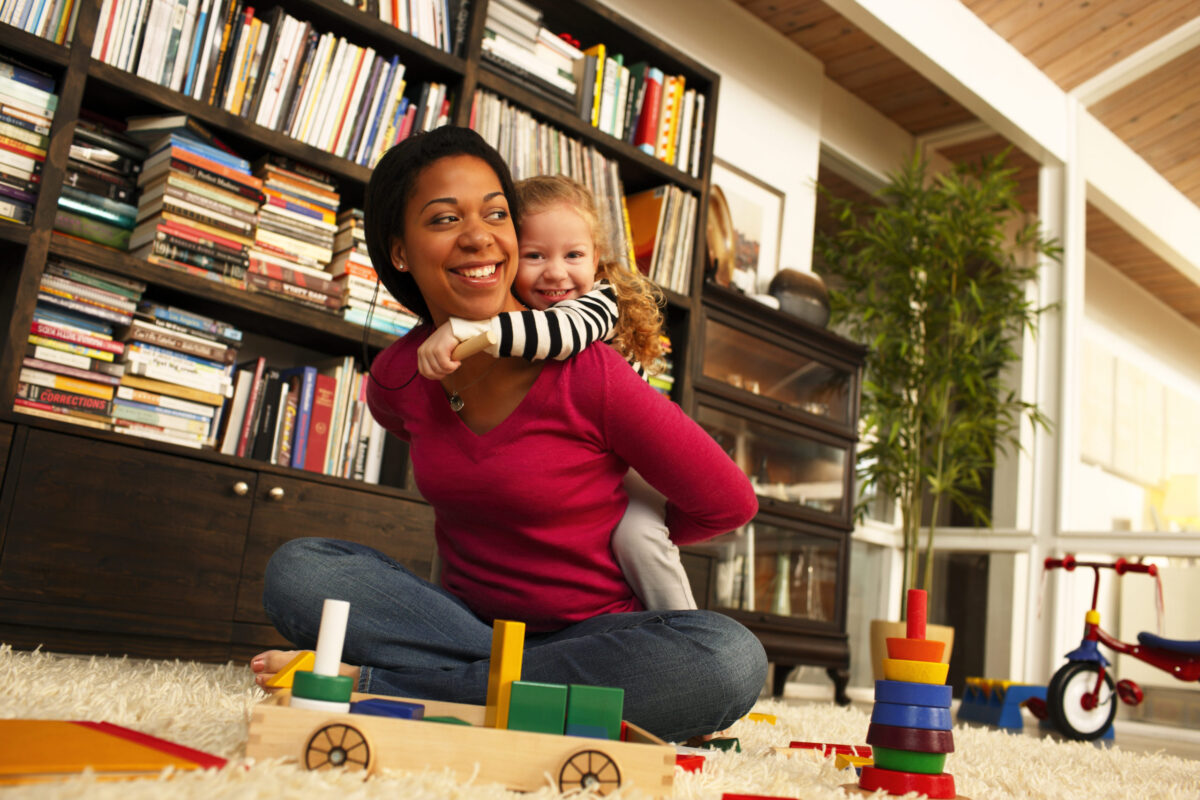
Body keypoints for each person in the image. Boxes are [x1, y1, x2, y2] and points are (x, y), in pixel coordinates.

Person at [252, 126, 765, 743]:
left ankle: (388, 687)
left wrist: (627, 520)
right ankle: (521, 692)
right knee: (300, 571)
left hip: (593, 635)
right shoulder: (397, 377)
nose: (477, 235)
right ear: (399, 251)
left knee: (729, 658)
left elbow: (729, 501)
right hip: (463, 621)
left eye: (495, 214)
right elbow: (408, 426)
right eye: (444, 219)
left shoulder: (589, 369)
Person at [414, 174, 696, 611]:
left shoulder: (596, 303)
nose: (556, 271)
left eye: (574, 255)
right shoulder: (514, 316)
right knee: (465, 528)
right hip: (577, 464)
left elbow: (561, 334)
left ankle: (688, 639)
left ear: (597, 260)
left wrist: (471, 331)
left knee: (637, 536)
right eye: (535, 255)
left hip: (632, 461)